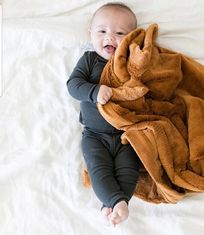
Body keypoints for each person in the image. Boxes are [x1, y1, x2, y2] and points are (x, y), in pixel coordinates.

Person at [67, 2, 139, 226]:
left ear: (131, 38)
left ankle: (119, 202)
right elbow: (73, 85)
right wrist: (94, 91)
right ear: (90, 34)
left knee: (129, 169)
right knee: (99, 169)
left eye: (119, 33)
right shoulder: (89, 60)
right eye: (102, 31)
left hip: (125, 134)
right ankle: (115, 201)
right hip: (94, 135)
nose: (110, 37)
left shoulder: (130, 64)